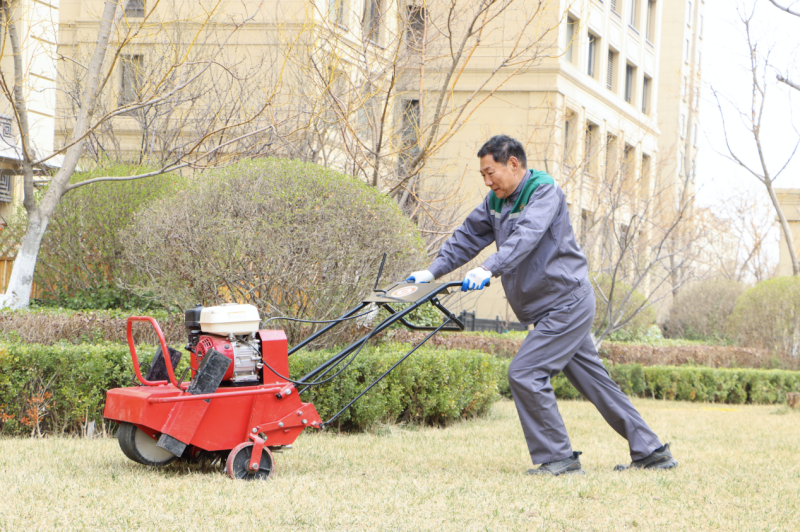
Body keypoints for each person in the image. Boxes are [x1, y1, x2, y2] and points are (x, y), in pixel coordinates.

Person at [406, 135, 677, 475]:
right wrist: (430, 271)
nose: (488, 181)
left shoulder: (544, 191)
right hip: (551, 307)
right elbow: (466, 237)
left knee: (525, 372)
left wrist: (487, 268)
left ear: (514, 164)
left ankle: (558, 458)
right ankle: (652, 452)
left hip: (567, 302)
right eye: (483, 176)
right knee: (596, 382)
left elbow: (527, 235)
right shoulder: (496, 201)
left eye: (491, 173)